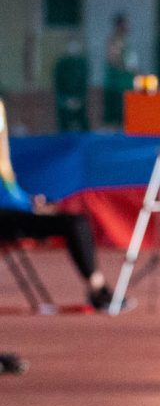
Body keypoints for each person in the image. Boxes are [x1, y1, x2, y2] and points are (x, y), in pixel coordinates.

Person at [0, 97, 120, 311]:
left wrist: (29, 203)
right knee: (73, 223)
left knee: (77, 221)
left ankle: (97, 286)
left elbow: (9, 187)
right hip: (5, 217)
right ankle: (97, 289)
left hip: (15, 210)